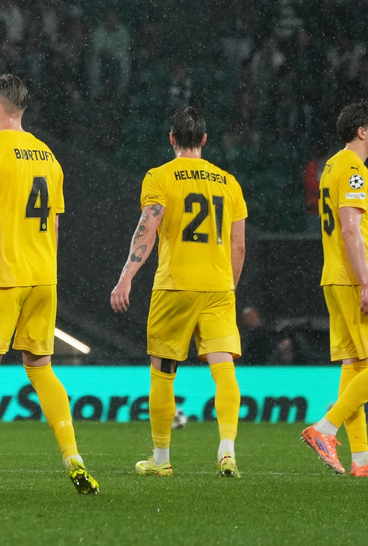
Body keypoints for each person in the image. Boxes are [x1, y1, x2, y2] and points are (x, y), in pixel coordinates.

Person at [0, 73, 99, 496]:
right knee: (41, 368)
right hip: (43, 276)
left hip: (2, 277)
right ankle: (72, 455)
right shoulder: (48, 155)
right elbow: (57, 223)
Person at [110, 106, 247, 479]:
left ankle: (160, 458)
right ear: (204, 140)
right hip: (218, 286)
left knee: (163, 372)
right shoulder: (228, 182)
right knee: (223, 369)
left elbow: (148, 227)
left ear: (172, 139)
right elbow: (238, 246)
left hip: (175, 285)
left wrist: (127, 276)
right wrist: (228, 288)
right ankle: (227, 450)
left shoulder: (160, 177)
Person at [301, 101, 368, 477]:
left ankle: (361, 459)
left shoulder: (332, 165)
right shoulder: (354, 171)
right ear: (361, 131)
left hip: (334, 276)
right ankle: (325, 428)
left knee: (355, 363)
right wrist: (367, 284)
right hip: (355, 277)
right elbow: (349, 228)